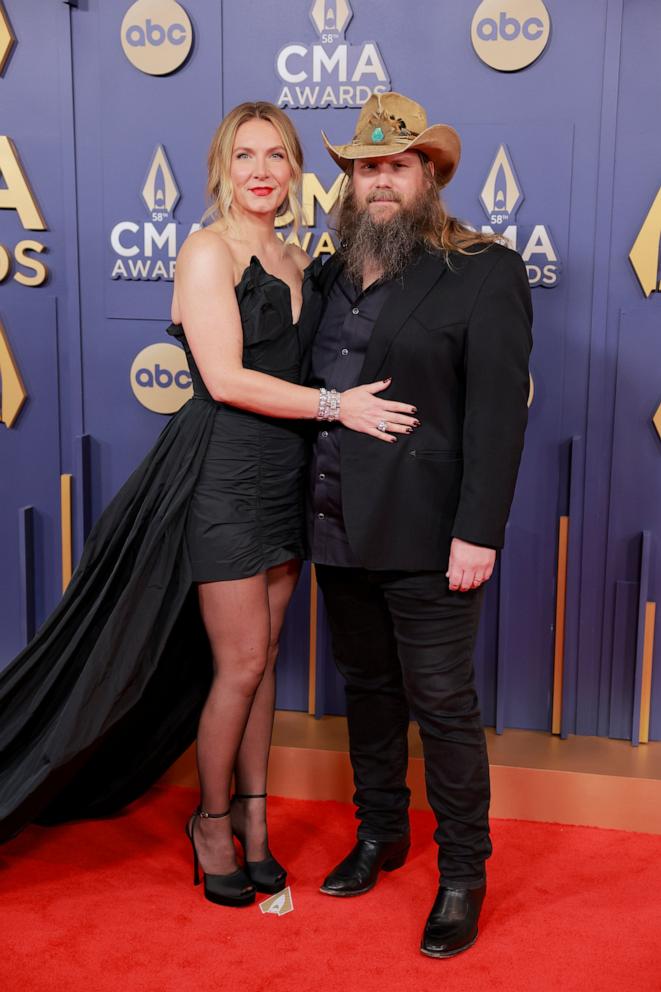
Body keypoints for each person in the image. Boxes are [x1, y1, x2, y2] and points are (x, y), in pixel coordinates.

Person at [0, 102, 418, 909]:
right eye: (245, 155)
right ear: (222, 169)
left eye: (277, 156)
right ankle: (212, 823)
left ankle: (257, 829)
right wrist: (339, 407)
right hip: (222, 473)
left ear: (296, 173)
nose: (261, 170)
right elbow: (224, 380)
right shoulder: (204, 250)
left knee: (261, 668)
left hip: (285, 477)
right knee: (241, 663)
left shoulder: (299, 259)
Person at [309, 92, 532, 956]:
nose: (380, 180)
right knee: (365, 691)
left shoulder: (484, 268)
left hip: (432, 533)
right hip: (335, 522)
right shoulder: (330, 270)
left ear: (428, 175)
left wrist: (478, 532)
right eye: (367, 167)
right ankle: (379, 836)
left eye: (397, 165)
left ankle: (463, 873)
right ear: (352, 180)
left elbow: (496, 417)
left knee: (440, 705)